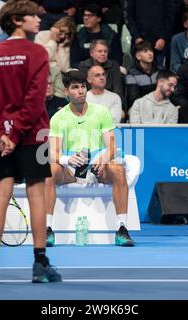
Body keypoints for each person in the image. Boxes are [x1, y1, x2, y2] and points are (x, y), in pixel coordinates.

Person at [0, 0, 62, 284]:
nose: (39, 20)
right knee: (37, 192)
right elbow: (36, 99)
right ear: (16, 20)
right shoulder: (36, 52)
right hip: (33, 134)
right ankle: (40, 265)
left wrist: (1, 132)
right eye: (33, 16)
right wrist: (14, 134)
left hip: (3, 137)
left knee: (1, 193)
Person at [45, 69, 135, 247]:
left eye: (83, 87)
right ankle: (47, 229)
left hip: (97, 166)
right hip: (72, 168)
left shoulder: (101, 112)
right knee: (49, 171)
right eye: (75, 87)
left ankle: (122, 229)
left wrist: (102, 159)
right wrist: (67, 160)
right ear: (66, 92)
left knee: (118, 169)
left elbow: (111, 147)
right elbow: (54, 153)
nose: (80, 91)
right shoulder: (58, 118)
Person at [124, 0, 175, 67]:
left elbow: (170, 17)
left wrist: (163, 38)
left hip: (159, 43)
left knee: (158, 74)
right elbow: (128, 17)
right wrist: (136, 37)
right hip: (140, 41)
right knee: (137, 72)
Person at [78, 39, 124, 105]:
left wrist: (120, 106)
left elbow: (118, 89)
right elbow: (82, 88)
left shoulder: (114, 65)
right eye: (100, 51)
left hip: (110, 100)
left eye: (105, 51)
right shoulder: (83, 66)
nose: (103, 54)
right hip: (89, 100)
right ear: (92, 53)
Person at [125, 40, 164, 113]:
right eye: (145, 51)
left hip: (160, 105)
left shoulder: (160, 70)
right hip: (141, 107)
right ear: (138, 56)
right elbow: (133, 98)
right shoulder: (132, 74)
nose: (150, 54)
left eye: (151, 51)